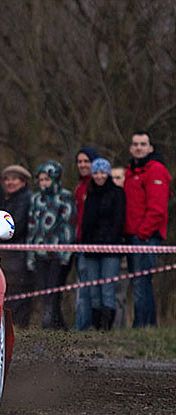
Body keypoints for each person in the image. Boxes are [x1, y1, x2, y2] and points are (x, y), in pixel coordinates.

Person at [123, 131, 172, 327]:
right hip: (131, 236)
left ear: (150, 148)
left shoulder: (156, 170)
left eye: (143, 144)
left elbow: (157, 209)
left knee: (143, 283)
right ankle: (144, 325)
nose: (138, 147)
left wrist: (142, 233)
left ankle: (143, 326)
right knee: (138, 283)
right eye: (135, 144)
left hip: (145, 237)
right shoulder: (131, 172)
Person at [27, 160, 76, 330]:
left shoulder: (65, 197)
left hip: (58, 255)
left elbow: (69, 227)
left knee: (54, 293)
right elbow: (32, 227)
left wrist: (66, 254)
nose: (44, 184)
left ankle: (48, 326)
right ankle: (58, 326)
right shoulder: (36, 199)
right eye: (41, 180)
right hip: (39, 254)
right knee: (44, 292)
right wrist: (30, 254)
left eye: (47, 180)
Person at [79, 158, 126, 330]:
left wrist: (109, 242)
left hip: (110, 249)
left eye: (102, 172)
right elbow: (86, 221)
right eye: (96, 172)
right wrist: (85, 244)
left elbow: (118, 220)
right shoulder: (90, 193)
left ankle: (107, 328)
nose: (99, 176)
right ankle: (97, 326)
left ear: (108, 173)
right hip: (91, 250)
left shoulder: (117, 193)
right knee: (93, 290)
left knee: (108, 289)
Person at [0, 165, 34, 327]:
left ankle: (18, 325)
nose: (9, 182)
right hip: (10, 255)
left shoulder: (25, 199)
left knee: (18, 291)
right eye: (7, 179)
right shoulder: (9, 200)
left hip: (18, 254)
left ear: (23, 181)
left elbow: (16, 226)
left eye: (14, 179)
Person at [72, 146, 99, 331]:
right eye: (80, 161)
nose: (82, 165)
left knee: (90, 289)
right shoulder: (79, 187)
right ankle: (81, 323)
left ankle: (85, 326)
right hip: (79, 242)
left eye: (86, 161)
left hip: (94, 244)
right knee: (82, 286)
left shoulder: (95, 186)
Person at [111, 165, 128, 328]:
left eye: (118, 177)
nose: (115, 181)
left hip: (125, 251)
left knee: (120, 295)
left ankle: (119, 328)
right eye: (112, 178)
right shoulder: (110, 197)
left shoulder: (129, 197)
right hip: (108, 252)